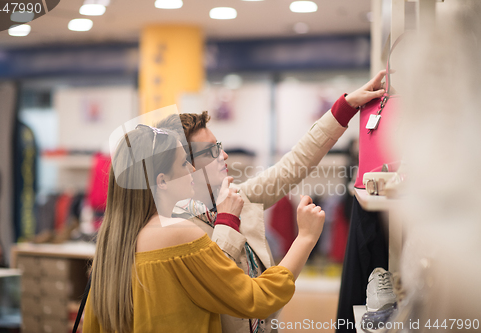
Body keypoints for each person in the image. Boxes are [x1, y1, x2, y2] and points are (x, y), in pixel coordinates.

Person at [155, 71, 387, 333]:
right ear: (183, 165)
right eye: (210, 151)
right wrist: (230, 221)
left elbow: (292, 165)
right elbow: (223, 289)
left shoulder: (232, 198)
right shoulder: (175, 230)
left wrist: (345, 108)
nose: (224, 155)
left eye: (219, 145)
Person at [83, 125, 326, 333]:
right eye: (183, 163)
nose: (191, 169)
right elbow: (256, 298)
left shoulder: (111, 247)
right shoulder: (180, 235)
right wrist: (305, 237)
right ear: (162, 181)